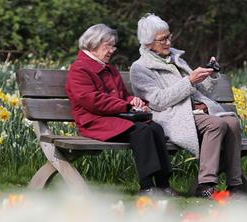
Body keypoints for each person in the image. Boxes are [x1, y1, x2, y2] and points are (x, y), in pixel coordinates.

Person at [130, 14, 246, 197]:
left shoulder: (175, 59)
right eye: (163, 39)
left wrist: (210, 74)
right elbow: (158, 101)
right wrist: (189, 82)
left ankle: (235, 184)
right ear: (148, 43)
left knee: (232, 122)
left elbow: (201, 90)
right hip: (172, 116)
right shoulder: (140, 68)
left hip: (195, 111)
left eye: (169, 36)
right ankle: (206, 184)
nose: (168, 42)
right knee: (216, 125)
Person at [66, 23, 177, 196]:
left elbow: (122, 96)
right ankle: (147, 187)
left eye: (113, 46)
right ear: (93, 44)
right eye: (108, 46)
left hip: (115, 118)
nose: (112, 50)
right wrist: (126, 105)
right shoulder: (80, 69)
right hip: (94, 121)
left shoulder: (110, 69)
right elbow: (93, 101)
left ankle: (163, 185)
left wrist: (133, 100)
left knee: (155, 128)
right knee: (141, 131)